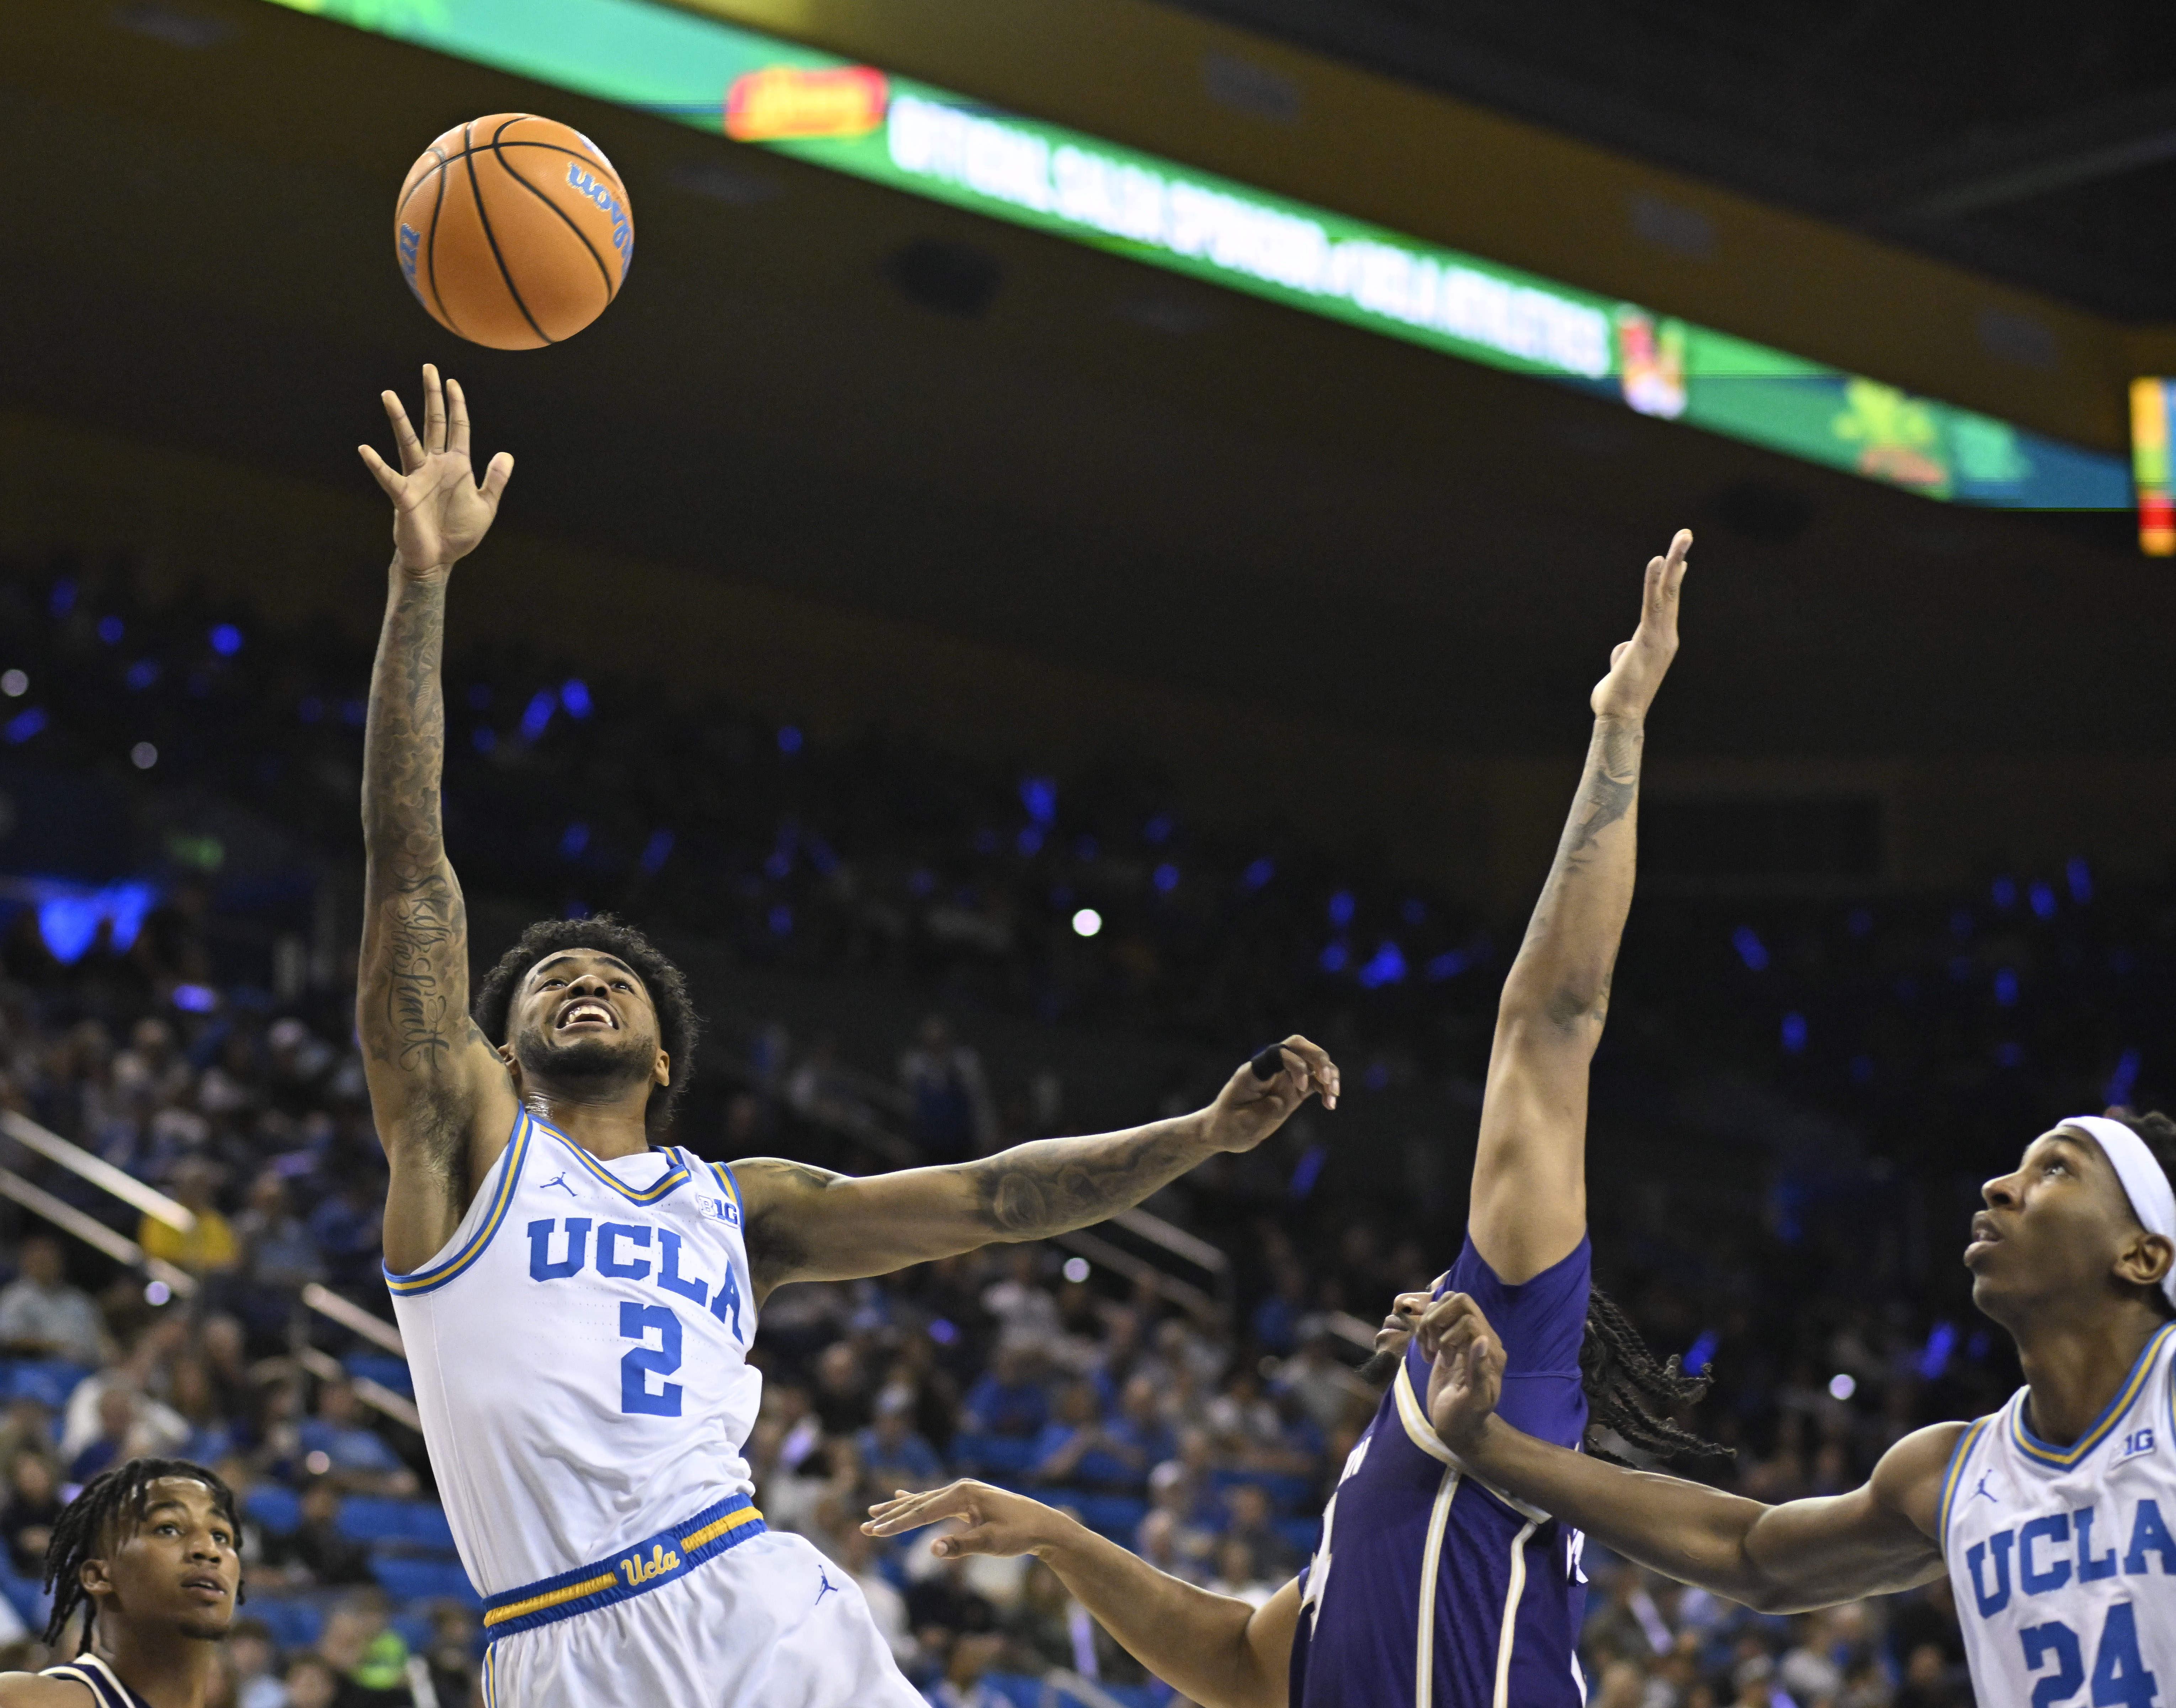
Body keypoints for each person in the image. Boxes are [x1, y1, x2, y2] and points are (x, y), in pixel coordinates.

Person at [351, 365, 1341, 1708]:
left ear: (663, 1060)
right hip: (555, 1641)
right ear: (505, 1055)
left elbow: (993, 1198)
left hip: (750, 1600)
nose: (581, 982)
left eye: (613, 979)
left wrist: (1204, 1132)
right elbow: (411, 867)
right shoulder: (464, 1144)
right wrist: (422, 583)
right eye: (549, 982)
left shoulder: (741, 1206)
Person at [867, 531, 1719, 1707]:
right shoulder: (1385, 1472)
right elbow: (1238, 1662)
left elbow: (1551, 1021)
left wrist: (1617, 729)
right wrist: (1060, 1537)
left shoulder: (1513, 1353)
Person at [1422, 1105, 2176, 1708]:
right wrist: (1489, 1442)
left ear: (2142, 1254)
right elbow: (1748, 1553)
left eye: (2055, 1169)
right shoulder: (1949, 1471)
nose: (1998, 1187)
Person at [0, 1457, 242, 1707]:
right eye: (168, 1529)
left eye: (220, 1535)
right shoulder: (23, 1701)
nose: (209, 1550)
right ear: (98, 1576)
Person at [0, 1241, 108, 1370]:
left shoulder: (78, 1300)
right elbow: (7, 1337)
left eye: (52, 1260)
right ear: (26, 1263)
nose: (47, 1266)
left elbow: (102, 1338)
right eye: (41, 1261)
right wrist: (54, 1346)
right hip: (34, 1368)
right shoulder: (14, 1297)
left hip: (86, 1368)